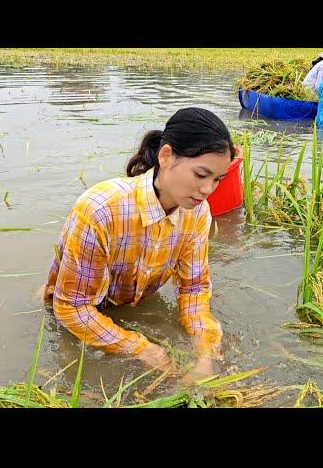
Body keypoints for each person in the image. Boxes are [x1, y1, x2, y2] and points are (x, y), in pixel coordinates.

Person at [43, 107, 236, 382]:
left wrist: (205, 354)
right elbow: (72, 307)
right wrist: (143, 349)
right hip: (74, 311)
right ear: (166, 156)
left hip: (130, 302)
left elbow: (193, 290)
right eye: (201, 175)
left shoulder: (197, 214)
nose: (208, 190)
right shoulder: (100, 208)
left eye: (217, 179)